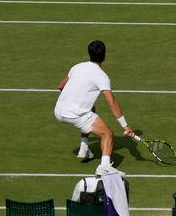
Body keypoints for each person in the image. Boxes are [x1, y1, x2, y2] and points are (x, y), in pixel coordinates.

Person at [54, 40, 135, 175]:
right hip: (75, 115)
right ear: (104, 56)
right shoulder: (102, 77)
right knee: (107, 134)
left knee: (91, 108)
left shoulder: (77, 67)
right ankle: (104, 166)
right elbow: (112, 102)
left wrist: (73, 99)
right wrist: (125, 126)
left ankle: (84, 148)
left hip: (58, 111)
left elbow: (60, 86)